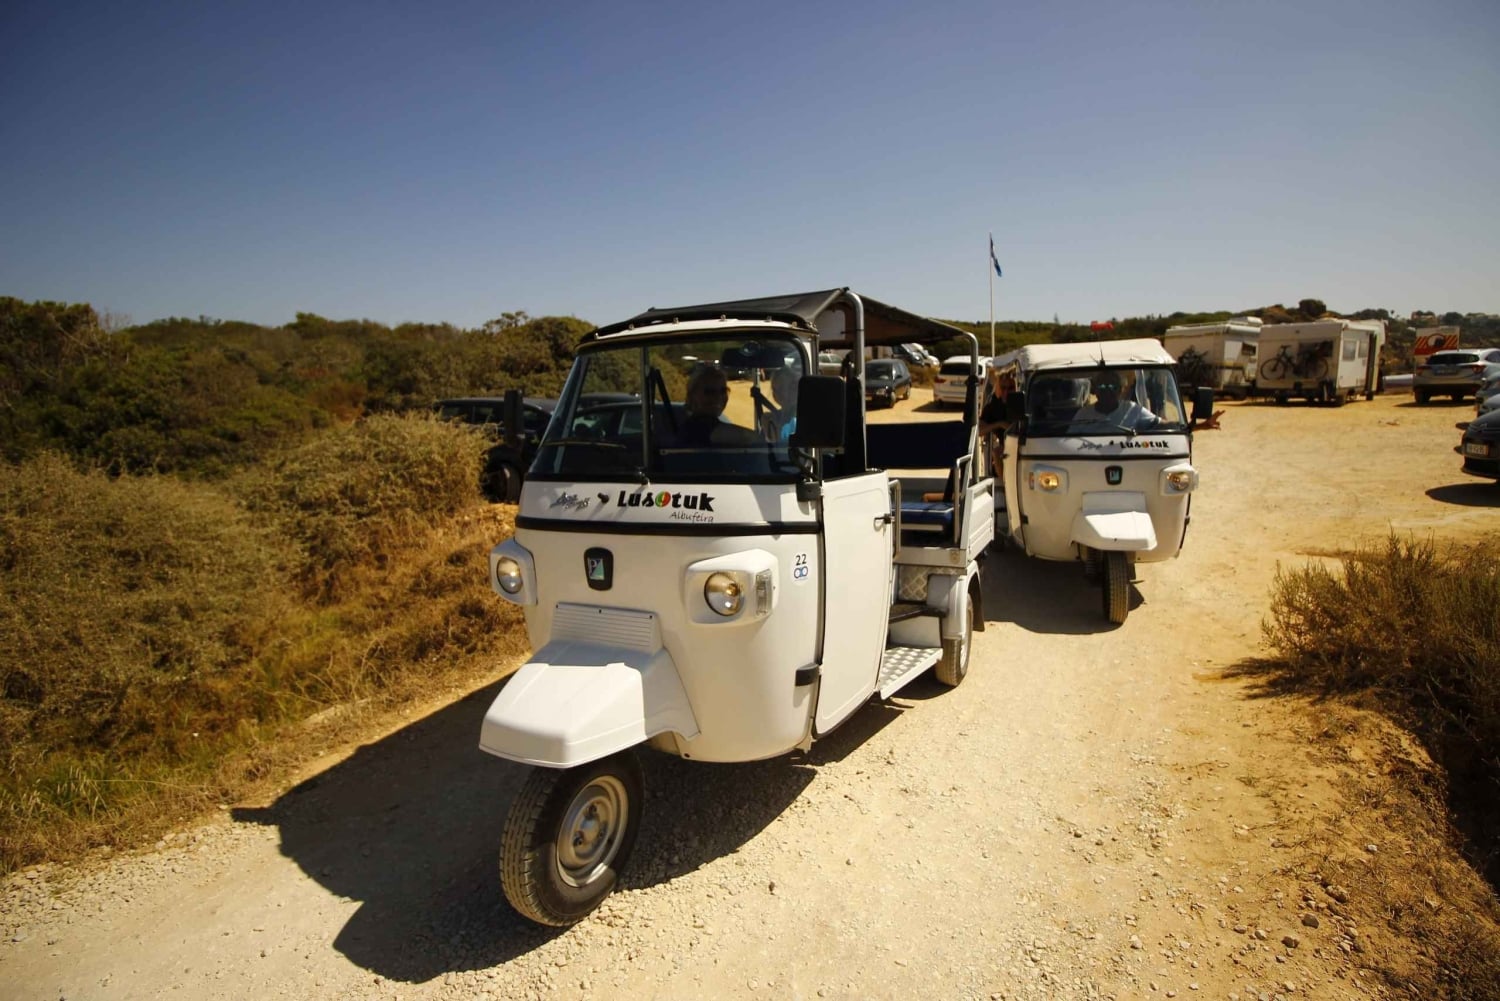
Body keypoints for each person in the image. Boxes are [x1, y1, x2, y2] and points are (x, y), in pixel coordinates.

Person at [1076, 373, 1224, 432]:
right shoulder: (1084, 414)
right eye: (1102, 386)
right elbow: (1066, 441)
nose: (1107, 391)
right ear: (1095, 390)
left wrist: (1198, 425)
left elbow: (1162, 426)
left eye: (1112, 387)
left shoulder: (1132, 410)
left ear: (1121, 390)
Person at [675, 365, 761, 446]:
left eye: (723, 391)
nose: (718, 397)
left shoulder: (699, 423)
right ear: (693, 395)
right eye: (709, 392)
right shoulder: (696, 427)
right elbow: (745, 437)